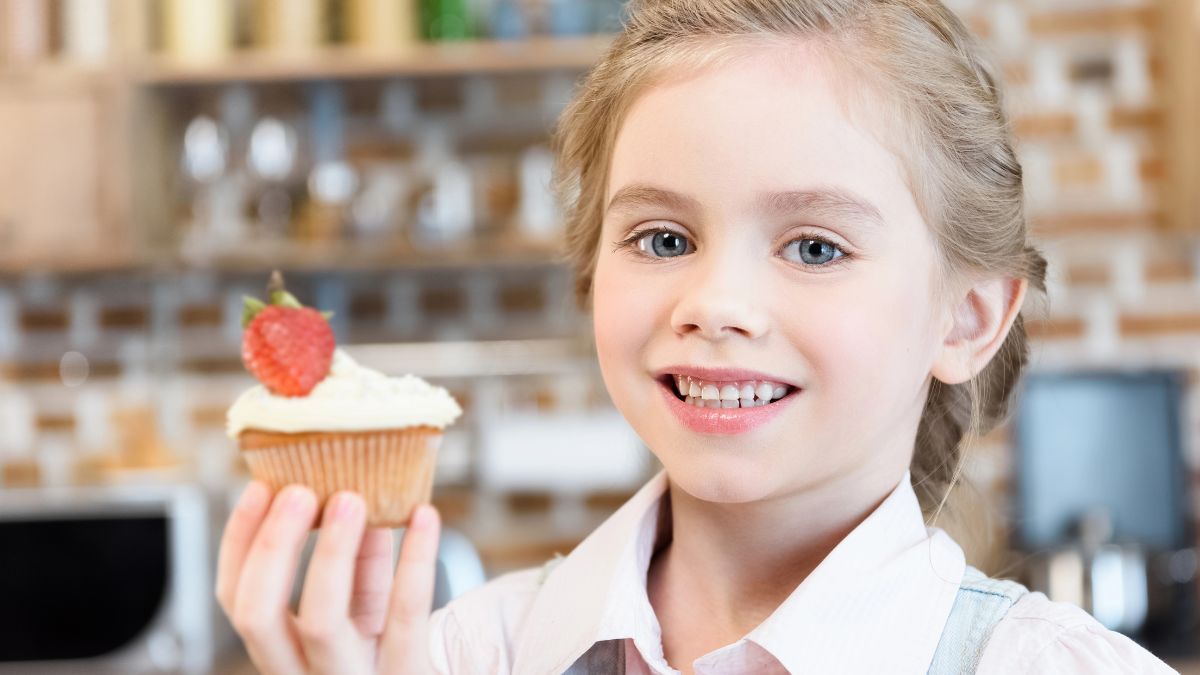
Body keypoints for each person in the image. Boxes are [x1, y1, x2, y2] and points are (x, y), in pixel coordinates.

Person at [214, 0, 1179, 672]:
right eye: (664, 238)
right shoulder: (462, 655)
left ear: (967, 318)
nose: (716, 303)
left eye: (813, 245)